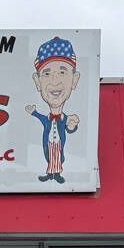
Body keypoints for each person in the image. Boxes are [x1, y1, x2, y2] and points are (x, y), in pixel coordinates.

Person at [25, 36, 81, 183]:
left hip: (57, 145)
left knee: (57, 158)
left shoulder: (65, 118)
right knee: (51, 159)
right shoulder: (48, 119)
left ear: (74, 80)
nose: (54, 81)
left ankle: (57, 175)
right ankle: (50, 174)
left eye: (62, 72)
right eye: (47, 73)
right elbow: (41, 118)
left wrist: (72, 125)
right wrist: (33, 112)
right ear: (37, 82)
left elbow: (69, 127)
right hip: (49, 145)